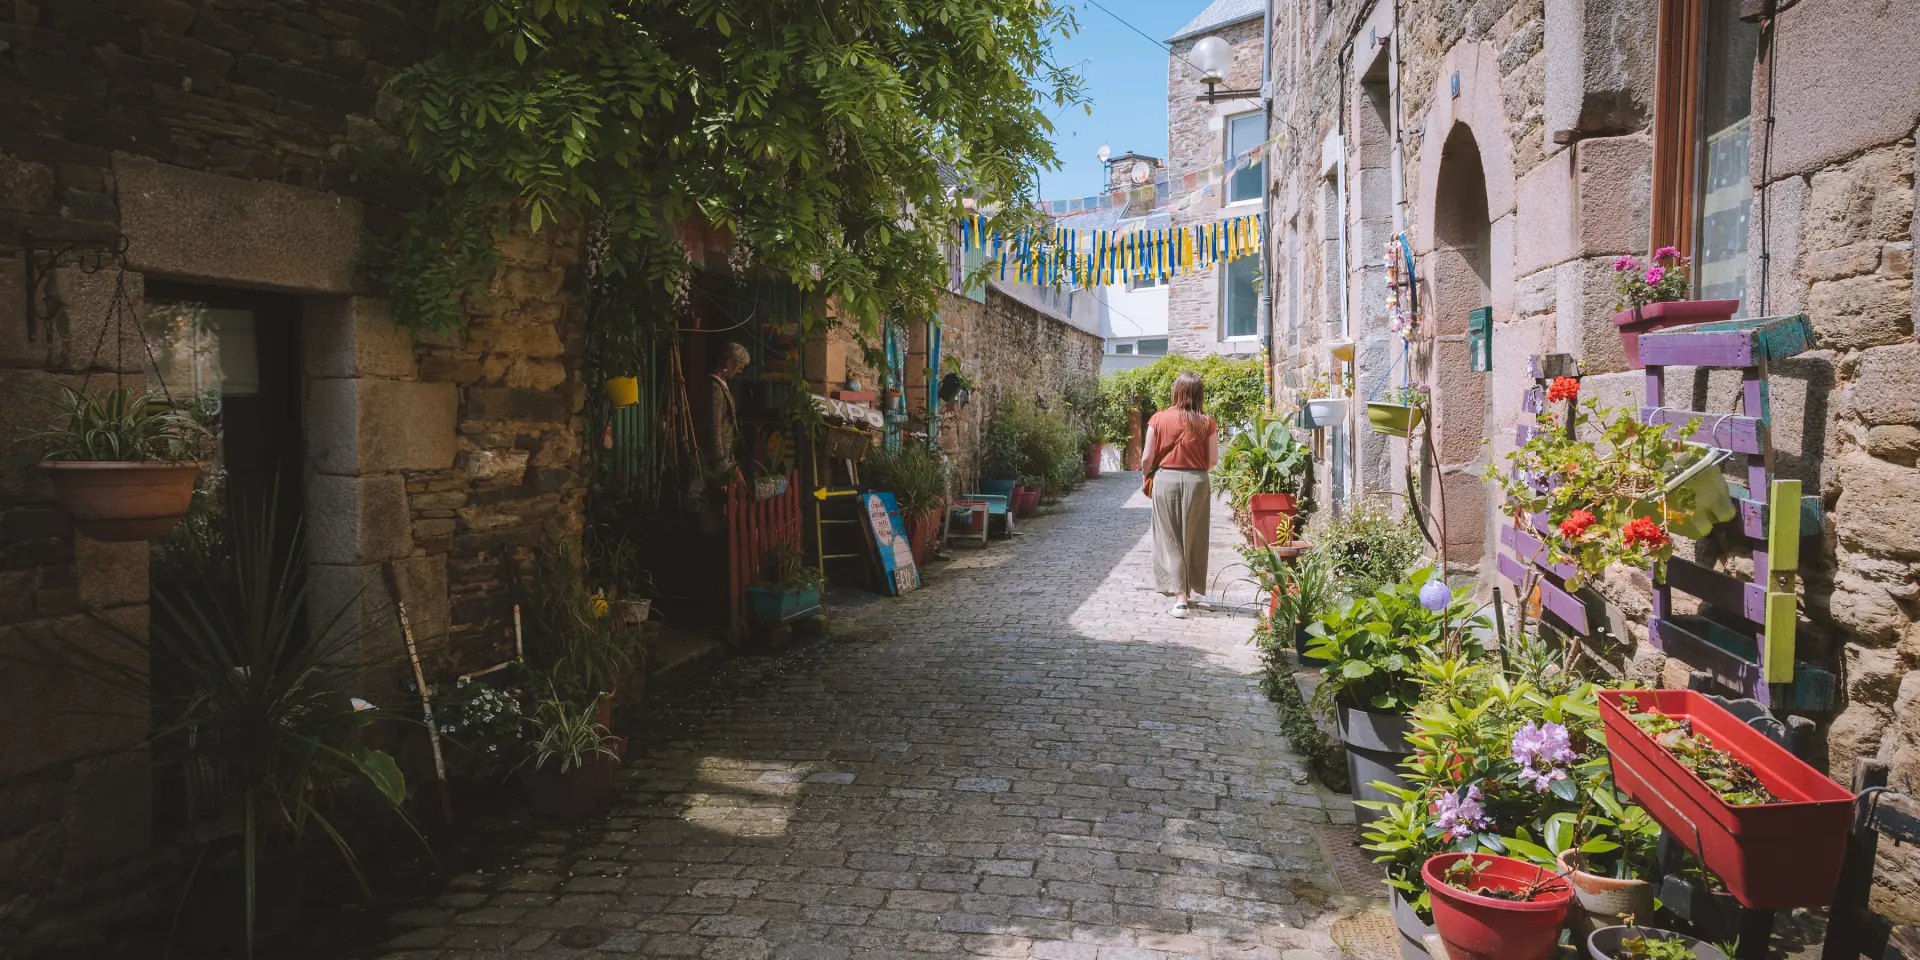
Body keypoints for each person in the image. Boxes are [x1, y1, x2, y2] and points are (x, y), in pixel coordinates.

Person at [1141, 371, 1219, 618]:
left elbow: (1146, 457)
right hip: (1198, 480)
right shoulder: (1207, 421)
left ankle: (1180, 598)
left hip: (1166, 480)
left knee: (1170, 537)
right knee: (1193, 536)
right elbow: (1213, 460)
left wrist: (1147, 475)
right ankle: (1188, 589)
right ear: (1199, 394)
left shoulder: (1158, 419)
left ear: (1176, 392)